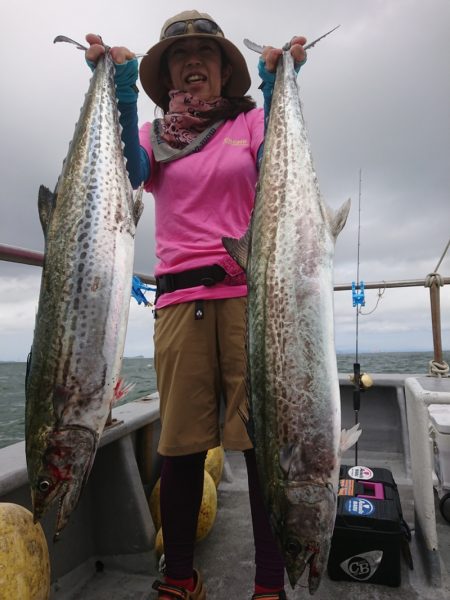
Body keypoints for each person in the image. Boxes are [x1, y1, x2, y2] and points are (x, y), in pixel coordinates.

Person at [86, 10, 306, 600]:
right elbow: (130, 175)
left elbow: (279, 173)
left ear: (222, 69)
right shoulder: (153, 139)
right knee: (180, 446)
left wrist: (278, 85)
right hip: (180, 304)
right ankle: (180, 577)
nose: (191, 65)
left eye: (203, 56)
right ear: (169, 76)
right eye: (179, 59)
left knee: (260, 447)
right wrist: (122, 91)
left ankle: (268, 584)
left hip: (247, 302)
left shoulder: (252, 124)